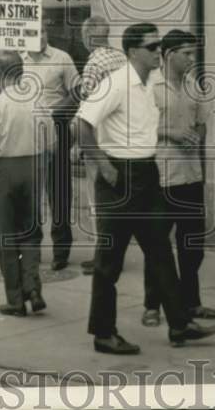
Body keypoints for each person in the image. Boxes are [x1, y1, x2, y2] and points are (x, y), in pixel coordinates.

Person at [74, 23, 215, 354]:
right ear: (133, 52)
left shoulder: (148, 84)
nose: (158, 51)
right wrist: (105, 167)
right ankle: (103, 334)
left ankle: (180, 324)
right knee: (109, 261)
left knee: (160, 253)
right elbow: (81, 125)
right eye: (152, 46)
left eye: (159, 46)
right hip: (119, 177)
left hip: (147, 173)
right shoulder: (116, 83)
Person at [141, 30, 215, 327]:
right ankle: (152, 305)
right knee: (157, 245)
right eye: (186, 54)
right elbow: (137, 129)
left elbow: (202, 123)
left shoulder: (193, 85)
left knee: (192, 246)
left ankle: (191, 303)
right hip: (162, 177)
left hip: (191, 175)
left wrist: (196, 138)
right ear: (168, 54)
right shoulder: (150, 87)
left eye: (193, 53)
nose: (192, 59)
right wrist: (170, 134)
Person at [0, 51, 46, 317]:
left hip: (3, 172)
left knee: (5, 236)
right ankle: (33, 286)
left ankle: (16, 298)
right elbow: (50, 141)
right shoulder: (37, 101)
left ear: (1, 74)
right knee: (30, 233)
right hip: (32, 167)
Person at [24, 21, 81, 271]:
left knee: (58, 190)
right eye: (35, 32)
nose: (41, 36)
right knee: (29, 191)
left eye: (44, 31)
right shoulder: (18, 60)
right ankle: (31, 248)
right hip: (27, 129)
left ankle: (61, 250)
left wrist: (57, 110)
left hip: (56, 127)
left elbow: (77, 92)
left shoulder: (62, 58)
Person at [74, 15, 127, 275]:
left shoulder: (94, 63)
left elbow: (87, 105)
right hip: (120, 137)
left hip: (99, 137)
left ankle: (102, 255)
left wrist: (78, 143)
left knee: (98, 200)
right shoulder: (120, 58)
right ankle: (113, 252)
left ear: (89, 38)